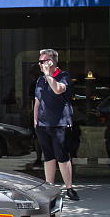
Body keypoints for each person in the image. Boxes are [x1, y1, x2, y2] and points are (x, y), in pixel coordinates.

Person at [33, 49, 79, 200]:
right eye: (39, 62)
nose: (40, 64)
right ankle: (49, 188)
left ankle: (69, 188)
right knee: (48, 157)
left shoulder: (63, 76)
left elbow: (58, 90)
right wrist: (35, 120)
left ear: (51, 62)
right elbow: (37, 102)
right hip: (43, 125)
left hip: (60, 124)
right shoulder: (40, 80)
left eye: (43, 61)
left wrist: (48, 75)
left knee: (62, 157)